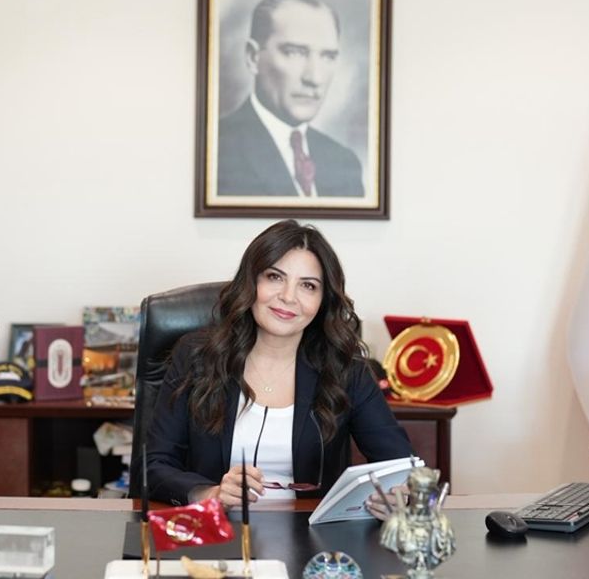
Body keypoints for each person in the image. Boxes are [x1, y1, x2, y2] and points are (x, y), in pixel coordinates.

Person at [145, 219, 409, 519]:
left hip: (313, 540)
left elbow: (400, 466)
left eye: (308, 286)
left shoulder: (346, 369)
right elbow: (154, 466)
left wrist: (398, 494)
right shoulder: (197, 356)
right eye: (274, 277)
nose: (288, 297)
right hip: (216, 535)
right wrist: (210, 493)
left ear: (323, 300)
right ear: (251, 283)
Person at [216, 0, 365, 198]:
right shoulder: (217, 151)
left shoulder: (344, 163)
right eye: (295, 52)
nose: (314, 78)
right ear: (253, 57)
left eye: (327, 56)